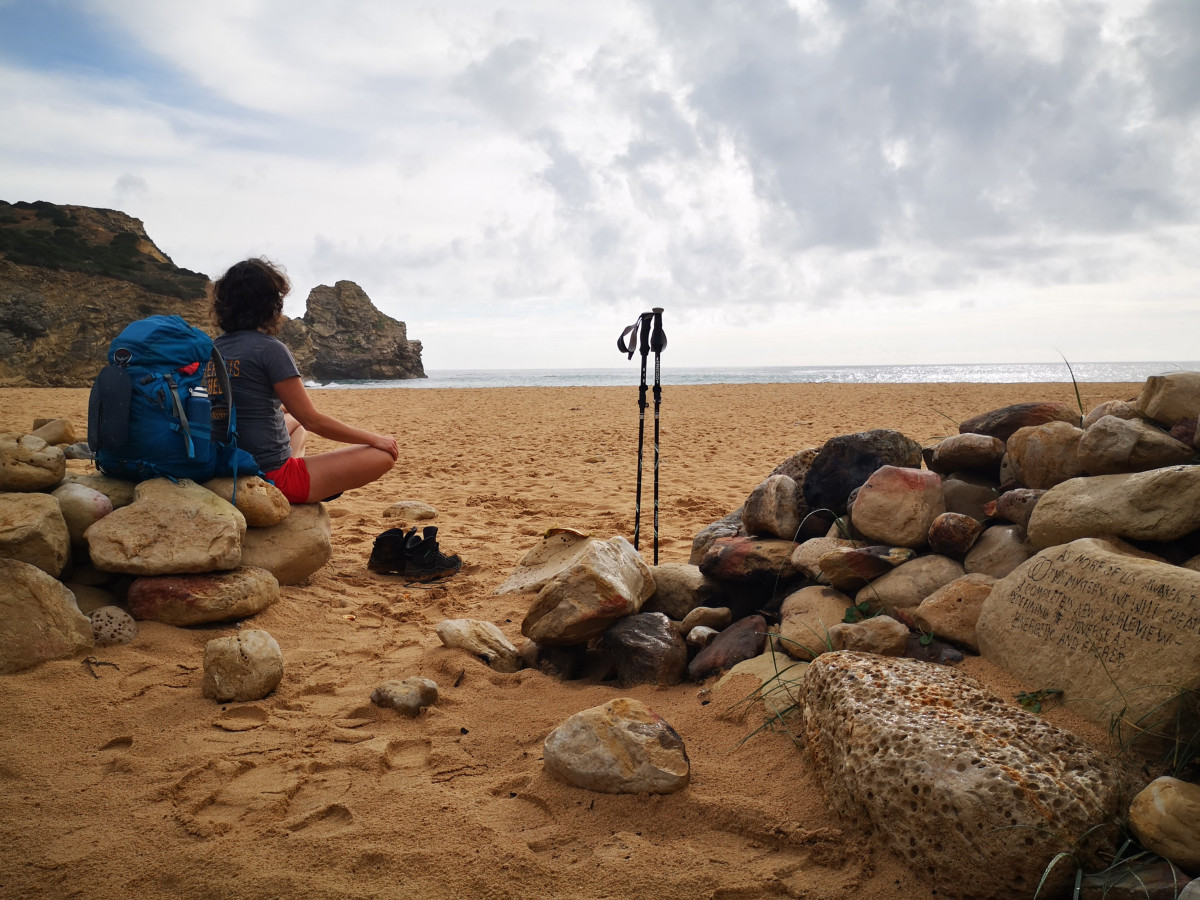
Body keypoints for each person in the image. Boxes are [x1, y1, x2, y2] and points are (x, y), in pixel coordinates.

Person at [207, 257, 398, 504]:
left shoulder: (212, 349)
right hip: (270, 474)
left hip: (225, 460)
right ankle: (300, 486)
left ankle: (296, 465)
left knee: (293, 420)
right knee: (383, 456)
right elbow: (314, 420)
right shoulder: (270, 349)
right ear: (270, 304)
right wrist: (373, 438)